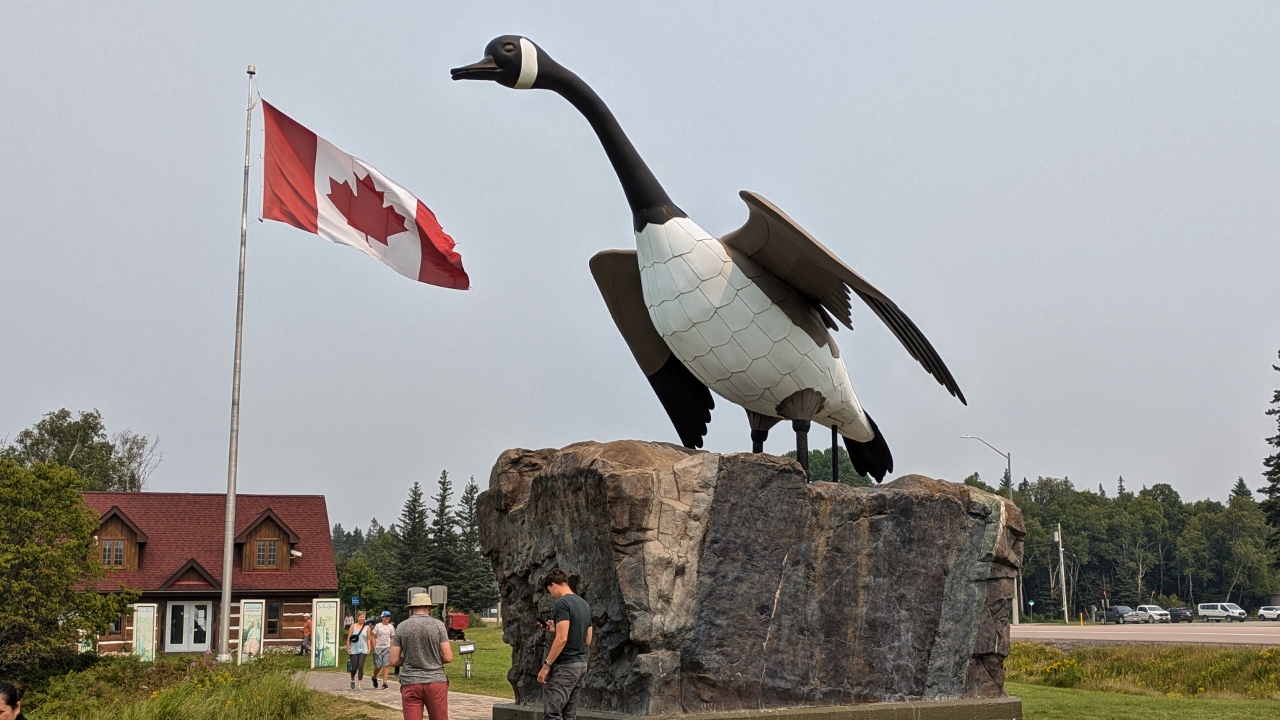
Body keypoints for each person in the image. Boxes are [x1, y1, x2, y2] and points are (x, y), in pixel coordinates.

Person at [538, 568, 592, 720]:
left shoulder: (562, 604)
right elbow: (587, 640)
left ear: (553, 585)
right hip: (580, 665)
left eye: (550, 591)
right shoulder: (584, 604)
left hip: (565, 667)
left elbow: (562, 639)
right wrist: (556, 629)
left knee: (552, 713)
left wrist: (546, 665)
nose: (551, 595)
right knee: (569, 716)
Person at [391, 592, 453, 720]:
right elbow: (448, 657)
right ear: (429, 608)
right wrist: (433, 659)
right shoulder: (438, 625)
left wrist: (409, 659)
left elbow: (393, 660)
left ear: (412, 608)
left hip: (411, 681)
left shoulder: (401, 627)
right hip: (435, 681)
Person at [371, 610, 396, 689]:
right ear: (382, 617)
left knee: (386, 665)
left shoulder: (391, 627)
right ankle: (374, 677)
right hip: (378, 647)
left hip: (387, 647)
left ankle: (384, 683)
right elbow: (373, 637)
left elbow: (392, 638)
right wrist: (374, 647)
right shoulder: (378, 626)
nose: (387, 618)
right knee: (378, 665)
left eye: (388, 616)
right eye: (385, 616)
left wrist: (391, 647)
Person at [348, 611, 371, 690]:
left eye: (363, 617)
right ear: (357, 617)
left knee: (360, 666)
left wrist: (369, 648)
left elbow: (368, 639)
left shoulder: (367, 627)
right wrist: (348, 648)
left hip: (363, 649)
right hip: (354, 649)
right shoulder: (352, 626)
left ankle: (359, 685)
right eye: (360, 617)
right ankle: (352, 678)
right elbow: (349, 638)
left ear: (365, 618)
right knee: (354, 667)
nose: (362, 618)